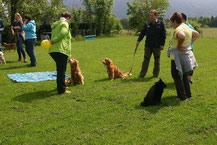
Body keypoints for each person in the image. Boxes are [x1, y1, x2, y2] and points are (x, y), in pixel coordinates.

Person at [168, 12, 200, 101]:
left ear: (175, 21)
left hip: (176, 56)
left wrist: (179, 46)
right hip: (185, 55)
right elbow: (197, 34)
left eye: (171, 22)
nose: (171, 24)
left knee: (176, 75)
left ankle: (181, 96)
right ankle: (188, 94)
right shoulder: (186, 26)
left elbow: (181, 36)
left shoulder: (178, 29)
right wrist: (187, 45)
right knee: (185, 75)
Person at [136, 9, 166, 78]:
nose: (151, 17)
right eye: (150, 15)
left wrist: (162, 44)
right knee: (145, 61)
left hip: (157, 46)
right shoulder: (147, 24)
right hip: (148, 46)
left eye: (152, 15)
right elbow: (142, 33)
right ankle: (142, 75)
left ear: (156, 16)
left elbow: (163, 35)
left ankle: (155, 75)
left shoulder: (161, 24)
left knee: (157, 61)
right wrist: (138, 41)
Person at [49, 12, 72, 94]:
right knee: (61, 70)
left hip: (53, 50)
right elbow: (63, 33)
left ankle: (61, 86)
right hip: (61, 50)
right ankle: (62, 90)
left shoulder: (56, 24)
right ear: (68, 18)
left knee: (60, 69)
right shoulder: (64, 23)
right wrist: (53, 41)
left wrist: (52, 41)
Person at [181, 13, 195, 84]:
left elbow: (194, 36)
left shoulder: (189, 27)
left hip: (188, 49)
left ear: (183, 19)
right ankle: (185, 80)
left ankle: (189, 80)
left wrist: (187, 43)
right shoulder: (181, 27)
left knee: (190, 65)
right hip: (181, 49)